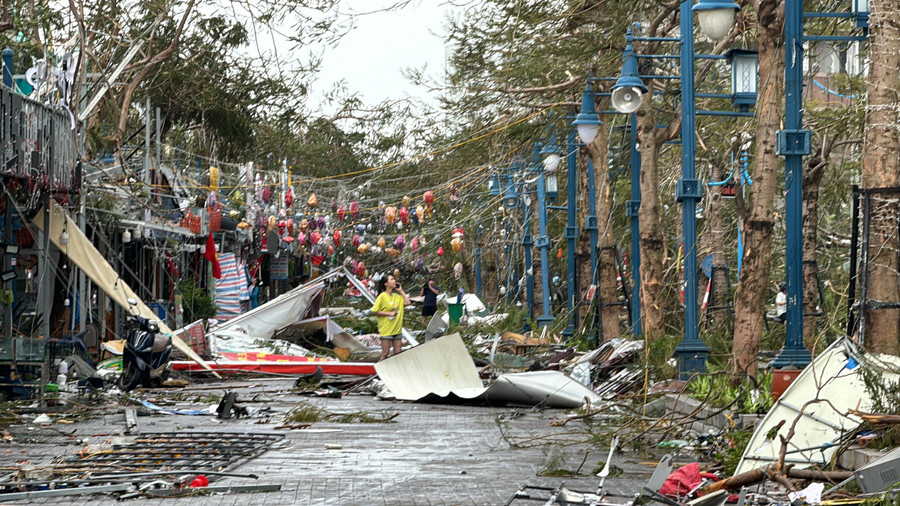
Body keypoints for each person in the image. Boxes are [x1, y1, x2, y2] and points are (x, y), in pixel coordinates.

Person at [371, 274, 410, 360]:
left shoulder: (397, 296)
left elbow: (408, 302)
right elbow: (374, 311)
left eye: (394, 279)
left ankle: (396, 367)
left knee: (398, 352)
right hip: (386, 329)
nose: (394, 281)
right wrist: (389, 313)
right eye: (391, 279)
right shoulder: (382, 296)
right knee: (385, 353)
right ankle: (379, 367)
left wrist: (400, 290)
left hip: (397, 329)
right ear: (386, 284)